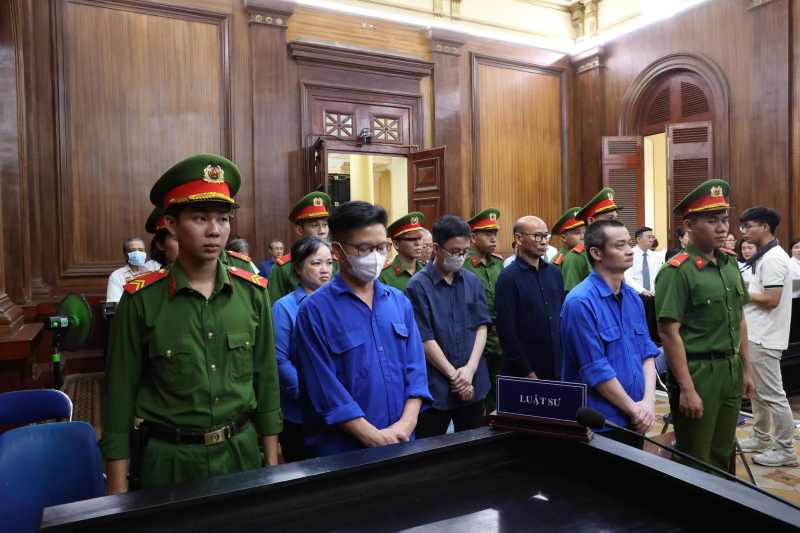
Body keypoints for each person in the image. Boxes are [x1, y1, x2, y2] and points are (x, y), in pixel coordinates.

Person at [99, 154, 282, 493]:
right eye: (200, 218)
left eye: (223, 219)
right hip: (170, 460)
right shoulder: (141, 300)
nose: (215, 230)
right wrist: (117, 488)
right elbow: (119, 396)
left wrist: (271, 462)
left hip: (240, 451)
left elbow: (267, 379)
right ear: (171, 224)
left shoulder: (253, 294)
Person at [294, 201, 431, 458]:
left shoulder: (399, 302)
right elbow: (324, 390)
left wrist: (405, 426)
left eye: (382, 247)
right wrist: (374, 437)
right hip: (344, 452)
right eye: (365, 248)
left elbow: (417, 373)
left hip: (402, 442)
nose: (376, 256)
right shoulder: (314, 311)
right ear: (338, 249)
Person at [655, 179, 755, 475]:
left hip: (730, 368)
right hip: (698, 372)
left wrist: (746, 369)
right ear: (689, 225)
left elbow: (740, 318)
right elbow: (668, 333)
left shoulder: (729, 263)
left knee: (722, 451)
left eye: (724, 220)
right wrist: (686, 388)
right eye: (712, 221)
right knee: (694, 455)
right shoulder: (677, 271)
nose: (722, 228)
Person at [561, 220, 659, 448]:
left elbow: (647, 352)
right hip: (601, 423)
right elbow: (595, 369)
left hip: (637, 416)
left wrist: (648, 402)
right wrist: (636, 410)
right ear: (596, 253)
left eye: (630, 244)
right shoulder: (580, 302)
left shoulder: (633, 297)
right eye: (620, 245)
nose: (629, 251)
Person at [405, 216, 491, 438]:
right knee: (431, 451)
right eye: (454, 252)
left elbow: (482, 326)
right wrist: (456, 377)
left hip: (473, 382)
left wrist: (470, 370)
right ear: (436, 248)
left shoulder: (472, 281)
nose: (460, 257)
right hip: (436, 387)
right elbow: (424, 338)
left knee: (472, 449)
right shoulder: (417, 286)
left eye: (464, 252)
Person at [736, 207, 799, 466]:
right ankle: (761, 436)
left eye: (747, 226)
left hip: (764, 335)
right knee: (759, 392)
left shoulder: (773, 258)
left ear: (764, 227)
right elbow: (761, 289)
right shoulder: (765, 255)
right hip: (757, 332)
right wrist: (744, 286)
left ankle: (786, 448)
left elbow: (771, 299)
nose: (743, 231)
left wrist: (738, 291)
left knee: (772, 394)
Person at [272, 236, 333, 463]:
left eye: (329, 263)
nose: (325, 270)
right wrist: (310, 392)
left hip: (339, 408)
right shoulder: (284, 307)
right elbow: (279, 360)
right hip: (300, 412)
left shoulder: (339, 303)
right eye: (316, 263)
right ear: (298, 268)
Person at [496, 216, 564, 382]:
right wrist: (527, 372)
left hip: (556, 367)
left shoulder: (554, 273)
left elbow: (561, 318)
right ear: (518, 238)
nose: (544, 241)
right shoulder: (508, 277)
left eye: (546, 236)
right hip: (524, 372)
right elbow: (506, 331)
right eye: (537, 236)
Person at [462, 208, 505, 415]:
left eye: (495, 233)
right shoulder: (463, 264)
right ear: (473, 237)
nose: (493, 238)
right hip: (475, 335)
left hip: (499, 335)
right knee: (477, 391)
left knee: (499, 390)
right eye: (488, 234)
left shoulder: (498, 262)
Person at [269, 192, 338, 304]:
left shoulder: (337, 262)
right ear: (299, 230)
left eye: (325, 225)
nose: (322, 231)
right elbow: (275, 305)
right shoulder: (283, 267)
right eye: (315, 225)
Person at [561, 188, 620, 291]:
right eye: (609, 218)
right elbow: (573, 297)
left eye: (615, 219)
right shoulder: (575, 257)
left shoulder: (615, 252)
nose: (614, 224)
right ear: (591, 221)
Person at [378, 212, 426, 292]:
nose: (418, 243)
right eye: (411, 239)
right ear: (396, 244)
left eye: (419, 238)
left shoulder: (426, 272)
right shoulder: (383, 275)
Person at [106, 237, 153, 306]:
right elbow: (117, 304)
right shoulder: (116, 276)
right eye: (132, 250)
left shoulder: (153, 271)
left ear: (145, 253)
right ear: (125, 255)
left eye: (140, 250)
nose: (137, 253)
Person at [623, 227, 662, 297]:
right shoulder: (630, 255)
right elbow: (627, 277)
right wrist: (643, 291)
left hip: (653, 295)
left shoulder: (655, 256)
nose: (651, 240)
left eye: (653, 237)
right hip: (635, 295)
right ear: (638, 239)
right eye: (648, 237)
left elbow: (660, 276)